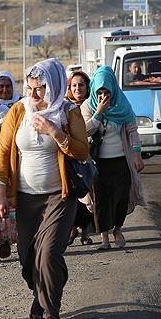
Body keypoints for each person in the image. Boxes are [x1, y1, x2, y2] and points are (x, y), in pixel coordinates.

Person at [0, 58, 89, 319]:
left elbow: (82, 152)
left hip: (59, 197)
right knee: (28, 259)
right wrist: (1, 195)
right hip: (25, 199)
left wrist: (54, 132)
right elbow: (3, 154)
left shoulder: (68, 112)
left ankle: (50, 314)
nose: (34, 94)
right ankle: (43, 291)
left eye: (40, 88)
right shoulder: (18, 111)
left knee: (48, 254)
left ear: (54, 86)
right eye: (30, 88)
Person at [80, 66, 146, 251]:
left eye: (106, 92)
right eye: (99, 92)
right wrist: (99, 112)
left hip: (121, 161)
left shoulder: (122, 105)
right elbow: (85, 130)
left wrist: (137, 154)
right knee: (101, 200)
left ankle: (118, 229)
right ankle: (104, 238)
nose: (103, 96)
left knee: (120, 198)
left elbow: (132, 131)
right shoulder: (88, 106)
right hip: (98, 163)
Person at [65, 70, 95, 246]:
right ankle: (72, 229)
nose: (77, 89)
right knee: (73, 195)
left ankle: (86, 231)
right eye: (74, 85)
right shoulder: (65, 106)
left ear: (88, 86)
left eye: (81, 85)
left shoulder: (93, 103)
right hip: (72, 156)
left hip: (92, 155)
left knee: (89, 195)